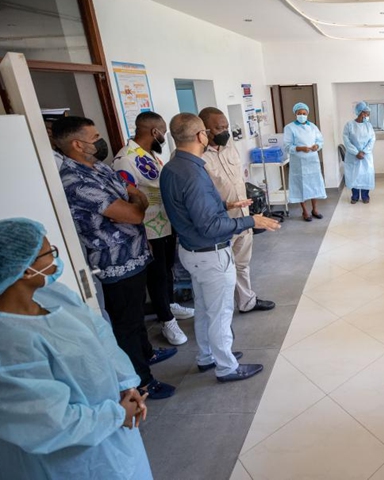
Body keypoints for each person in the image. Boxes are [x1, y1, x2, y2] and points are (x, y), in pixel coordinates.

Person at [0, 218, 152, 479]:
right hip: (72, 460)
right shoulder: (10, 341)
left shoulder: (54, 295)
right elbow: (46, 422)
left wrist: (126, 385)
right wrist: (116, 415)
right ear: (25, 270)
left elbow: (100, 336)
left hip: (116, 427)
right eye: (49, 253)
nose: (55, 259)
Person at [55, 116, 177, 400]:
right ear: (77, 144)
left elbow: (135, 196)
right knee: (126, 324)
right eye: (95, 136)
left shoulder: (97, 168)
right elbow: (135, 211)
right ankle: (142, 382)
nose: (100, 141)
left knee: (137, 318)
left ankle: (147, 353)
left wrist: (134, 200)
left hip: (135, 254)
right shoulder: (75, 180)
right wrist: (134, 201)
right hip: (113, 264)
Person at [160, 113, 281, 383]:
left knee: (204, 309)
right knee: (219, 314)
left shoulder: (173, 167)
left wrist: (228, 206)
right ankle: (226, 367)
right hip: (210, 253)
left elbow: (189, 209)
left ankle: (207, 357)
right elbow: (210, 227)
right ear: (201, 135)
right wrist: (252, 220)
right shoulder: (194, 173)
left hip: (191, 250)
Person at [113, 111, 193, 346]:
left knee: (166, 269)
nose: (164, 137)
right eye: (164, 133)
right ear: (154, 132)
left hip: (164, 222)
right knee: (156, 275)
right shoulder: (125, 158)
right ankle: (166, 321)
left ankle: (169, 304)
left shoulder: (149, 154)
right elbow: (125, 196)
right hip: (147, 228)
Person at [199, 107, 275, 314]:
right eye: (218, 127)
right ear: (204, 130)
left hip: (243, 217)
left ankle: (246, 301)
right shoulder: (197, 156)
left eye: (226, 126)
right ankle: (221, 310)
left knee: (242, 263)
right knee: (223, 269)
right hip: (220, 221)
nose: (224, 131)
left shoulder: (229, 146)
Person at [283, 102, 326, 221]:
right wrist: (300, 148)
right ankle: (305, 211)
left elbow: (320, 140)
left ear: (307, 114)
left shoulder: (313, 126)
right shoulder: (290, 127)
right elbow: (287, 146)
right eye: (299, 113)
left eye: (304, 113)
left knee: (314, 184)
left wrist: (317, 146)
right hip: (299, 162)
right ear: (295, 114)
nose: (302, 115)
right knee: (300, 185)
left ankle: (315, 209)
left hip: (312, 160)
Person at [343, 101, 376, 204]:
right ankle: (355, 196)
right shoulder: (349, 125)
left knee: (366, 175)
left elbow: (372, 139)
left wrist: (364, 151)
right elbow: (346, 140)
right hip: (353, 156)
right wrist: (356, 152)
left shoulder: (368, 126)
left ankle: (365, 196)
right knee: (354, 175)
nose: (368, 115)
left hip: (366, 156)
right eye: (367, 113)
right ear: (361, 113)